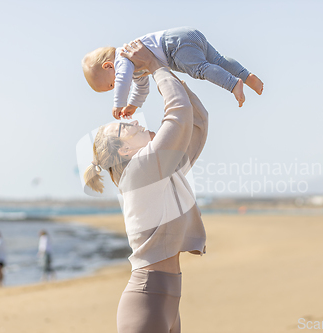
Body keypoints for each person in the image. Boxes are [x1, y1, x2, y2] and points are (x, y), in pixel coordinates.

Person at [83, 40, 208, 333]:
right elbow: (178, 116)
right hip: (147, 299)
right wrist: (153, 65)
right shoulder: (141, 172)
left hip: (166, 297)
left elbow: (196, 119)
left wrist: (167, 69)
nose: (136, 121)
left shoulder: (161, 172)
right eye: (126, 128)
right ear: (125, 151)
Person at [82, 27, 263, 120]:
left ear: (108, 66)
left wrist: (118, 103)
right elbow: (142, 88)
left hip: (173, 46)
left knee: (200, 69)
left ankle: (233, 84)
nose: (114, 86)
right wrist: (132, 106)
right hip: (186, 35)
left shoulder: (123, 57)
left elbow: (123, 80)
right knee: (218, 60)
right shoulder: (135, 67)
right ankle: (247, 77)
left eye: (110, 85)